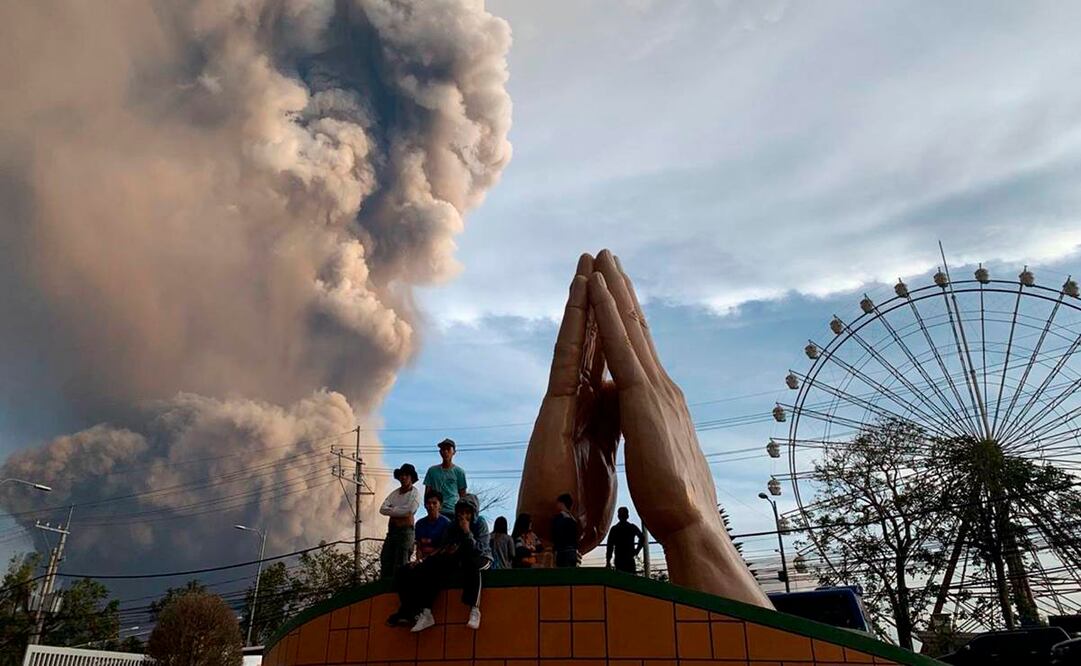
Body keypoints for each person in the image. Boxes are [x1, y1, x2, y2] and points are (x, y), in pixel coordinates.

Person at [388, 494, 491, 632]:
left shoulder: (480, 524)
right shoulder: (453, 525)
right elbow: (443, 548)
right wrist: (424, 560)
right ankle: (425, 612)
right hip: (460, 558)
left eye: (467, 513)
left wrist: (467, 532)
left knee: (471, 564)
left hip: (481, 557)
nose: (464, 516)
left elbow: (480, 549)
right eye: (461, 512)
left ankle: (474, 609)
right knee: (432, 567)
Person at [379, 463, 421, 579]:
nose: (403, 477)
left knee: (401, 564)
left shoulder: (415, 494)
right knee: (386, 559)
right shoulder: (394, 494)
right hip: (392, 532)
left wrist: (393, 510)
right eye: (402, 475)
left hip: (405, 532)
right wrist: (400, 512)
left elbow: (410, 510)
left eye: (406, 475)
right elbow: (382, 509)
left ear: (411, 477)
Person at [423, 438, 468, 521]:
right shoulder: (432, 471)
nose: (445, 452)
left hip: (453, 511)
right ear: (440, 452)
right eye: (443, 449)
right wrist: (428, 508)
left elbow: (463, 495)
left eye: (448, 449)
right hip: (436, 511)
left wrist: (462, 514)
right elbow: (427, 492)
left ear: (454, 452)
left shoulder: (459, 472)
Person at [606, 506, 645, 574]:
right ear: (627, 516)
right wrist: (636, 550)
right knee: (631, 579)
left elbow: (610, 546)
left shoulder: (614, 529)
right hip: (629, 558)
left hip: (619, 558)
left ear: (618, 516)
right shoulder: (631, 527)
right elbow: (642, 538)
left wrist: (608, 561)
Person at [415, 490, 452, 560]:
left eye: (434, 503)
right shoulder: (419, 524)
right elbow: (419, 547)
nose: (431, 506)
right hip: (422, 561)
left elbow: (444, 547)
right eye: (428, 503)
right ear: (425, 505)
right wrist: (419, 561)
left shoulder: (446, 523)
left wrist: (426, 559)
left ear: (440, 505)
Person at [551, 493, 579, 568]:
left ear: (562, 503)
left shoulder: (559, 518)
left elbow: (556, 535)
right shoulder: (574, 519)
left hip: (562, 551)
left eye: (558, 503)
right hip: (573, 551)